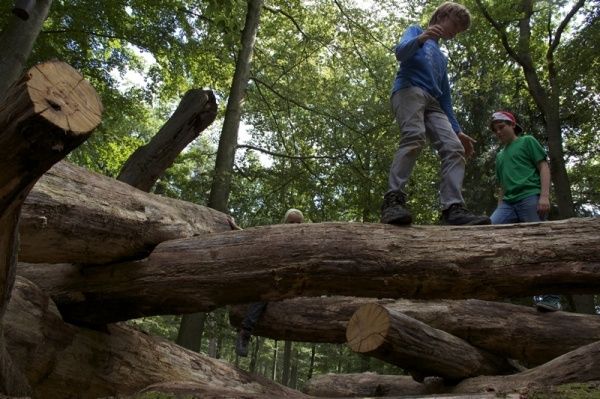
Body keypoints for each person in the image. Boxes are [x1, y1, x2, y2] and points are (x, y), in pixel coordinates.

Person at [381, 2, 490, 226]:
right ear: (443, 14)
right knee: (414, 136)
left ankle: (453, 208)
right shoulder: (416, 31)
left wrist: (458, 131)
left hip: (434, 102)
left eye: (459, 30)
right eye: (456, 24)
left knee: (454, 148)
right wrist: (422, 38)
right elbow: (400, 53)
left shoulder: (442, 58)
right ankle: (393, 200)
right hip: (409, 89)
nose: (455, 32)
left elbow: (445, 99)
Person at [489, 110, 560, 312]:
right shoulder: (500, 156)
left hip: (530, 197)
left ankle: (552, 297)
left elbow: (543, 167)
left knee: (540, 245)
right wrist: (499, 208)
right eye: (495, 130)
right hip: (507, 204)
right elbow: (502, 185)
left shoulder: (527, 141)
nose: (498, 132)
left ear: (512, 125)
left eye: (501, 127)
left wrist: (544, 196)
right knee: (488, 232)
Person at [234, 208, 304, 357]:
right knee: (265, 291)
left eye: (297, 223)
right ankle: (245, 333)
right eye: (291, 222)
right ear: (285, 223)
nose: (294, 226)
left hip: (295, 284)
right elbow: (256, 239)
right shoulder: (276, 236)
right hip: (275, 283)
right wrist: (238, 230)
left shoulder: (307, 239)